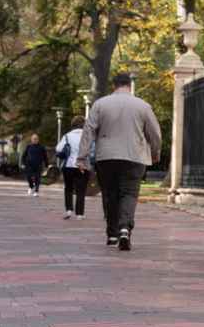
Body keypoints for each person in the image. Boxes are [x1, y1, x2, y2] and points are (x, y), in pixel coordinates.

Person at [81, 72, 161, 251]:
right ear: (129, 85)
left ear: (114, 85)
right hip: (135, 156)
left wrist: (82, 157)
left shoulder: (100, 104)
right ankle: (125, 228)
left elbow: (88, 131)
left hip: (106, 157)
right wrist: (155, 153)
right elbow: (155, 133)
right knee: (129, 194)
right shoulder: (143, 106)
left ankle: (111, 234)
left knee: (110, 194)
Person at [55, 118, 88, 220]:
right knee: (81, 190)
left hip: (68, 165)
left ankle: (69, 210)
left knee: (68, 188)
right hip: (83, 165)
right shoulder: (87, 136)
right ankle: (80, 214)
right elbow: (92, 150)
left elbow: (58, 149)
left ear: (73, 125)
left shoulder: (67, 136)